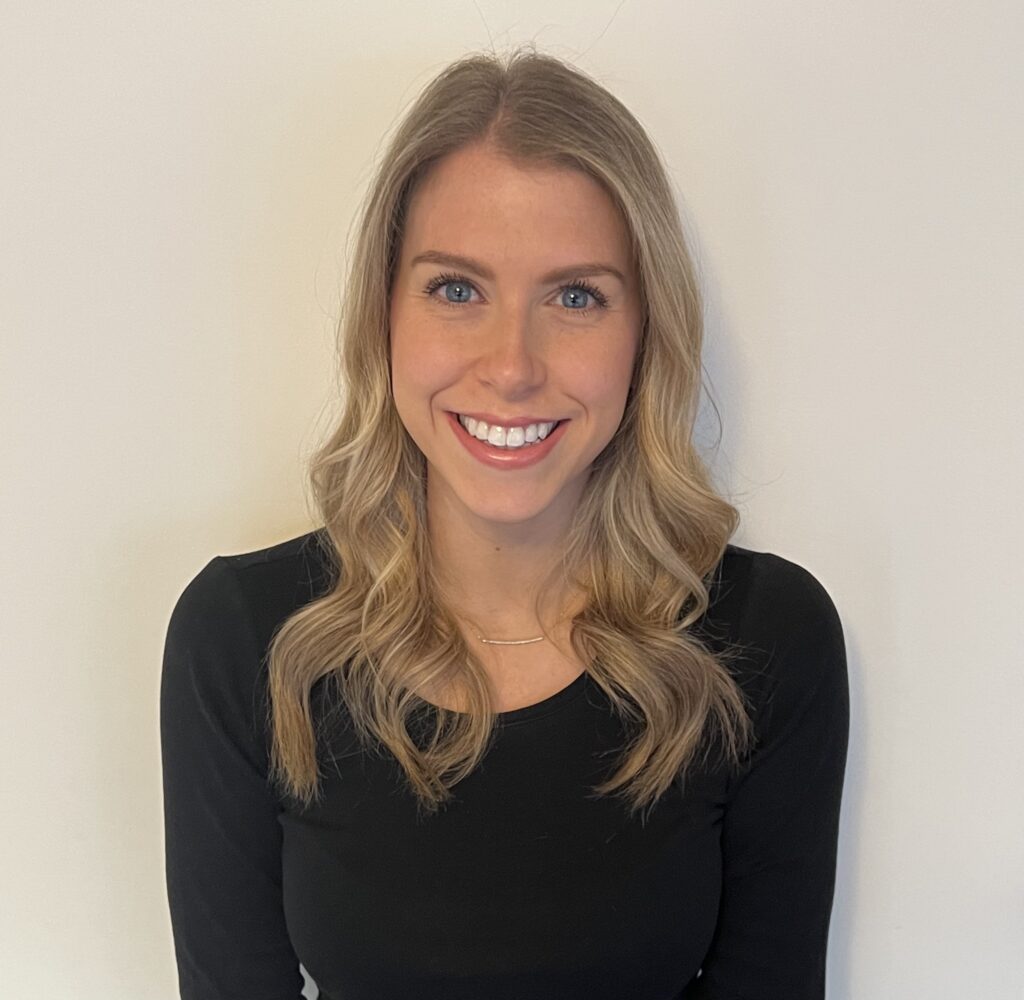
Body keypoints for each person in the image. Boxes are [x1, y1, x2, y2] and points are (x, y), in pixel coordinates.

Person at [160, 45, 849, 1000]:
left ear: (646, 335)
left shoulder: (765, 639)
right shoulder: (245, 638)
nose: (512, 364)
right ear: (383, 315)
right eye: (456, 289)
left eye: (576, 296)